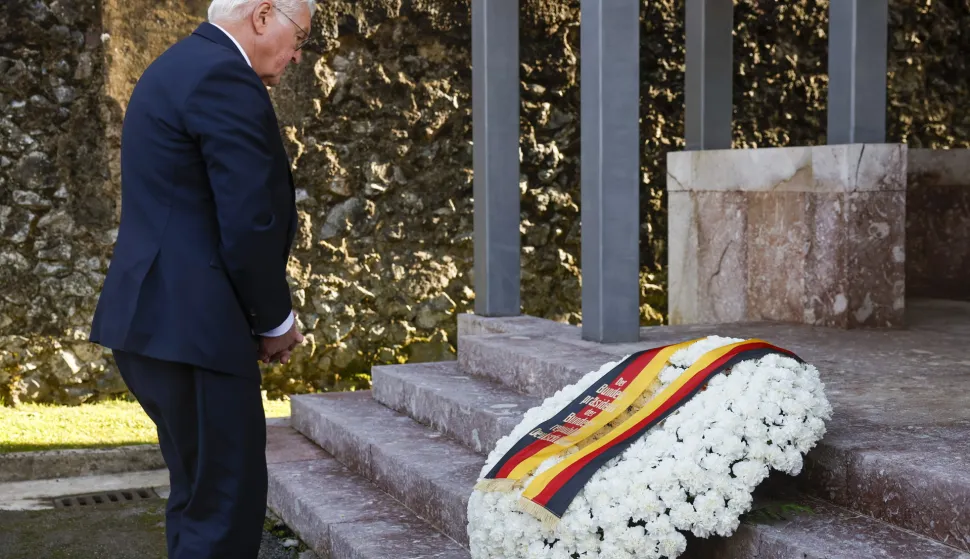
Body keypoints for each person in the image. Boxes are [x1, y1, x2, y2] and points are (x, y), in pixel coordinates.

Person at [88, 1, 315, 557]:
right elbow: (249, 218)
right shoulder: (222, 76)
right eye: (299, 36)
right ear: (263, 15)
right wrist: (275, 319)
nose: (297, 54)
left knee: (199, 501)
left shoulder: (178, 65)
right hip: (195, 332)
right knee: (224, 510)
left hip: (159, 325)